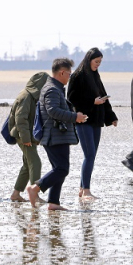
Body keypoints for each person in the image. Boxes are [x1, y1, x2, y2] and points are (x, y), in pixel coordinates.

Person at [27, 58, 88, 210]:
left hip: (57, 135)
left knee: (59, 169)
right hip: (54, 136)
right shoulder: (52, 89)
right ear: (61, 72)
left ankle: (53, 203)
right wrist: (75, 117)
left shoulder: (55, 88)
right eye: (69, 73)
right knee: (62, 169)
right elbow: (52, 111)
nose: (69, 77)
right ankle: (35, 188)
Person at [67, 48, 118, 199]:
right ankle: (87, 190)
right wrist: (92, 102)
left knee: (92, 155)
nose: (98, 64)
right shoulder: (77, 75)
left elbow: (103, 96)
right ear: (89, 60)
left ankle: (82, 189)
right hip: (83, 120)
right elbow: (71, 99)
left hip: (96, 120)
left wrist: (111, 116)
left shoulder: (95, 75)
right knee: (89, 155)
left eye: (100, 62)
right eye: (96, 62)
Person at [8, 71, 49, 202]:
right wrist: (25, 139)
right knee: (35, 162)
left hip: (27, 135)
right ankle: (35, 195)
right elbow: (21, 119)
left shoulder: (33, 96)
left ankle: (15, 194)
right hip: (22, 136)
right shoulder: (26, 96)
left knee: (27, 164)